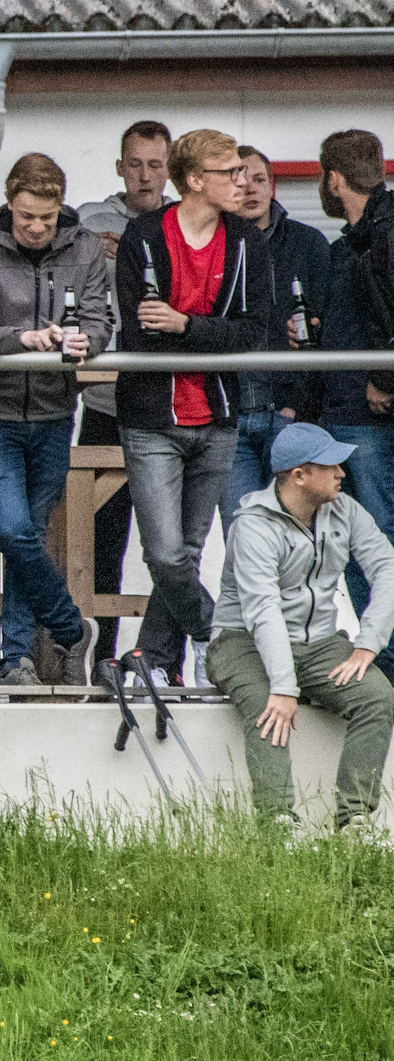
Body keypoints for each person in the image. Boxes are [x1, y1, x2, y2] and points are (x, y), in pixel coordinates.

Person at [114, 128, 270, 686]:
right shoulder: (145, 235)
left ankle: (155, 662)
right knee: (163, 553)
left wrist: (186, 324)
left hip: (218, 414)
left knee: (188, 549)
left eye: (246, 171)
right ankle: (216, 638)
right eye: (230, 171)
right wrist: (207, 335)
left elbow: (254, 332)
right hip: (153, 416)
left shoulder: (247, 241)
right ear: (195, 180)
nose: (243, 180)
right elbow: (138, 333)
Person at [0, 153, 111, 686]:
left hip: (53, 408)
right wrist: (24, 340)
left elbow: (99, 318)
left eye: (46, 217)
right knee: (15, 531)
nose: (37, 228)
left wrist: (90, 340)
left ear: (60, 206)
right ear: (9, 205)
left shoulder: (85, 248)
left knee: (30, 535)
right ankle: (69, 628)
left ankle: (15, 657)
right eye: (26, 218)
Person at [207, 422, 394, 833]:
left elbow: (388, 567)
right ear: (299, 475)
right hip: (242, 641)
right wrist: (283, 687)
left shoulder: (344, 509)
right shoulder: (253, 525)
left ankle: (355, 820)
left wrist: (367, 644)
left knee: (377, 696)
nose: (342, 473)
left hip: (319, 642)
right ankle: (278, 824)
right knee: (265, 706)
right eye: (331, 466)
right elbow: (263, 612)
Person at [75, 120, 173, 657]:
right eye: (134, 164)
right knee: (100, 543)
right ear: (119, 168)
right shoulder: (88, 221)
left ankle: (164, 662)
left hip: (167, 407)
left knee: (168, 547)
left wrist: (139, 251)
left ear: (171, 169)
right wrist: (85, 250)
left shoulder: (187, 223)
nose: (145, 176)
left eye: (155, 165)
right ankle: (99, 659)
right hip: (104, 403)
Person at [313, 128, 394, 668]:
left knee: (375, 544)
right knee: (359, 543)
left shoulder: (382, 236)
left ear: (334, 179)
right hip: (348, 413)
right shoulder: (356, 241)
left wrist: (384, 381)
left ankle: (384, 660)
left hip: (366, 414)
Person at [222, 145, 331, 534]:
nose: (250, 188)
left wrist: (299, 408)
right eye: (239, 180)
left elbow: (328, 332)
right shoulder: (212, 247)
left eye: (259, 179)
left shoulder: (309, 243)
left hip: (291, 417)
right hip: (231, 418)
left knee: (297, 538)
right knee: (242, 538)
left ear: (273, 186)